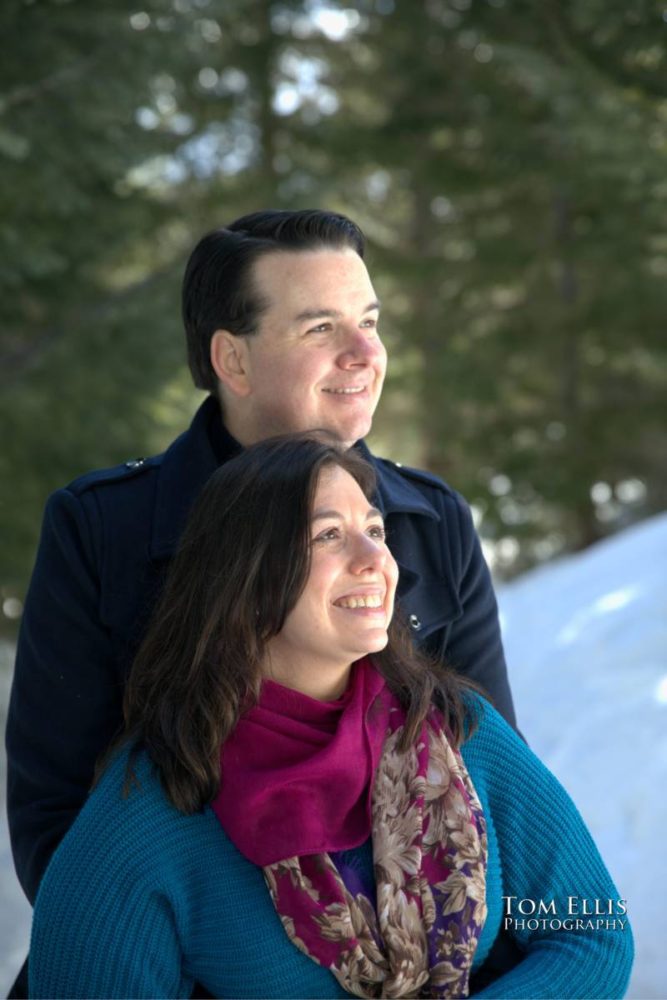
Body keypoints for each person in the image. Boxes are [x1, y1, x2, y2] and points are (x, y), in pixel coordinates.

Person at [6, 209, 517, 995]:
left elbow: (487, 795)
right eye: (322, 328)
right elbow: (56, 820)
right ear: (231, 360)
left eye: (370, 321)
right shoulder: (103, 528)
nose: (365, 353)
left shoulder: (430, 520)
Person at [28, 436, 633, 999]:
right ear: (245, 579)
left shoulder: (459, 727)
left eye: (375, 528)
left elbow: (591, 930)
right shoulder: (148, 815)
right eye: (328, 536)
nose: (376, 557)